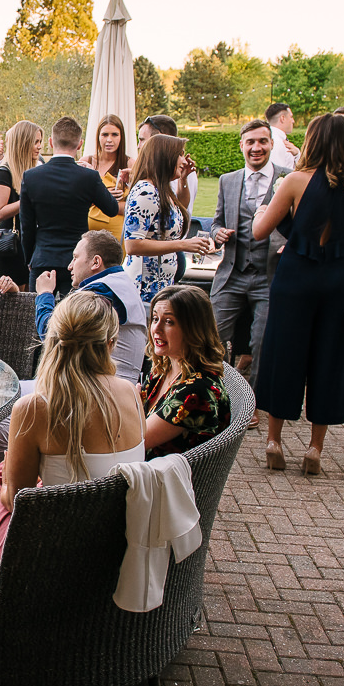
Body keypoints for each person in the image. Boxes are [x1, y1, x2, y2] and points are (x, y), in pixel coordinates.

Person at [0, 291, 146, 571]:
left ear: (52, 339)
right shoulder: (131, 393)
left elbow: (18, 502)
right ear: (111, 344)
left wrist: (8, 478)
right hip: (115, 543)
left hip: (47, 556)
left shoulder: (36, 408)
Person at [253, 113, 344, 475]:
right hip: (338, 278)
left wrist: (265, 211)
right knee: (329, 357)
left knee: (284, 353)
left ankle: (274, 440)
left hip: (295, 277)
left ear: (312, 140)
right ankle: (314, 448)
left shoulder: (295, 180)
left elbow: (261, 231)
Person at [210, 120, 290, 398]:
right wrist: (218, 232)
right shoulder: (228, 181)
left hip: (269, 275)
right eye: (250, 142)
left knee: (262, 342)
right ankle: (214, 395)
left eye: (262, 141)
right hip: (233, 272)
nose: (256, 148)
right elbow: (216, 221)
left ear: (271, 144)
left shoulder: (287, 178)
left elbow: (300, 226)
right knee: (211, 335)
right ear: (241, 146)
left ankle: (252, 403)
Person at [21, 117, 118, 299]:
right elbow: (112, 209)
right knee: (73, 319)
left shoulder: (31, 176)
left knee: (36, 317)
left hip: (43, 257)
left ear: (50, 141)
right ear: (79, 144)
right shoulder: (89, 177)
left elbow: (26, 225)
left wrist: (29, 258)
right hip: (79, 259)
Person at [34, 230, 147, 383]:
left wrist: (45, 293)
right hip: (111, 385)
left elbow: (52, 336)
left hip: (103, 392)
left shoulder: (102, 291)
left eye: (75, 258)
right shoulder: (120, 284)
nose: (69, 266)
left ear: (96, 262)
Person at [140, 284, 232, 460]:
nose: (156, 329)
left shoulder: (196, 390)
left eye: (169, 322)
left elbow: (135, 443)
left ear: (193, 328)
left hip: (164, 481)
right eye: (154, 319)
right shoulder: (164, 368)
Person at [123, 134, 209, 305]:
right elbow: (132, 245)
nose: (184, 161)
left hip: (160, 284)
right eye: (180, 154)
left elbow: (179, 209)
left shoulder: (160, 189)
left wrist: (183, 179)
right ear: (165, 156)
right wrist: (183, 245)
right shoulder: (146, 192)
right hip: (144, 288)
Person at [0, 121, 41, 287]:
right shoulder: (3, 173)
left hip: (30, 239)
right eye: (36, 142)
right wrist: (28, 199)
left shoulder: (35, 169)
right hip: (10, 244)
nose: (39, 147)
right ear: (23, 143)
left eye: (40, 141)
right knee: (15, 293)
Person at [81, 114, 131, 240]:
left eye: (114, 134)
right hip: (88, 232)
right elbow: (76, 200)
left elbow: (137, 206)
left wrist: (104, 202)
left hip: (118, 233)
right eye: (104, 135)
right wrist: (102, 197)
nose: (109, 139)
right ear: (98, 136)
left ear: (121, 137)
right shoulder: (87, 162)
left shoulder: (130, 164)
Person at [266, 103, 299, 171]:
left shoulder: (277, 139)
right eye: (291, 117)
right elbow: (278, 173)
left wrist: (297, 154)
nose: (293, 121)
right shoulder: (276, 142)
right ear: (282, 118)